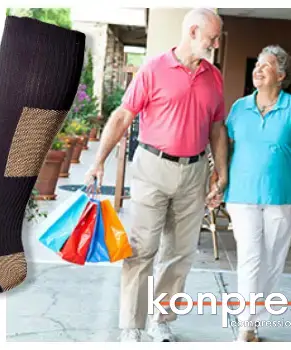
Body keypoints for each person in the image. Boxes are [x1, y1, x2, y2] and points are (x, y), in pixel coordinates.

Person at [84, 8, 228, 342]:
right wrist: (99, 160)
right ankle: (131, 327)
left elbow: (217, 128)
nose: (217, 42)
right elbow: (123, 116)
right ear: (193, 32)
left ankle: (159, 319)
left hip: (193, 172)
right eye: (213, 36)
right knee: (142, 248)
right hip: (152, 167)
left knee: (181, 251)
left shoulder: (214, 76)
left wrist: (220, 173)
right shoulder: (153, 69)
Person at [223, 45, 291, 342]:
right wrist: (218, 178)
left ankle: (255, 318)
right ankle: (246, 324)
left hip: (283, 194)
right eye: (257, 64)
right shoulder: (239, 107)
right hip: (242, 193)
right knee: (250, 256)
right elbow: (226, 146)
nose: (258, 69)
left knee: (273, 257)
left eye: (266, 65)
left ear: (281, 75)